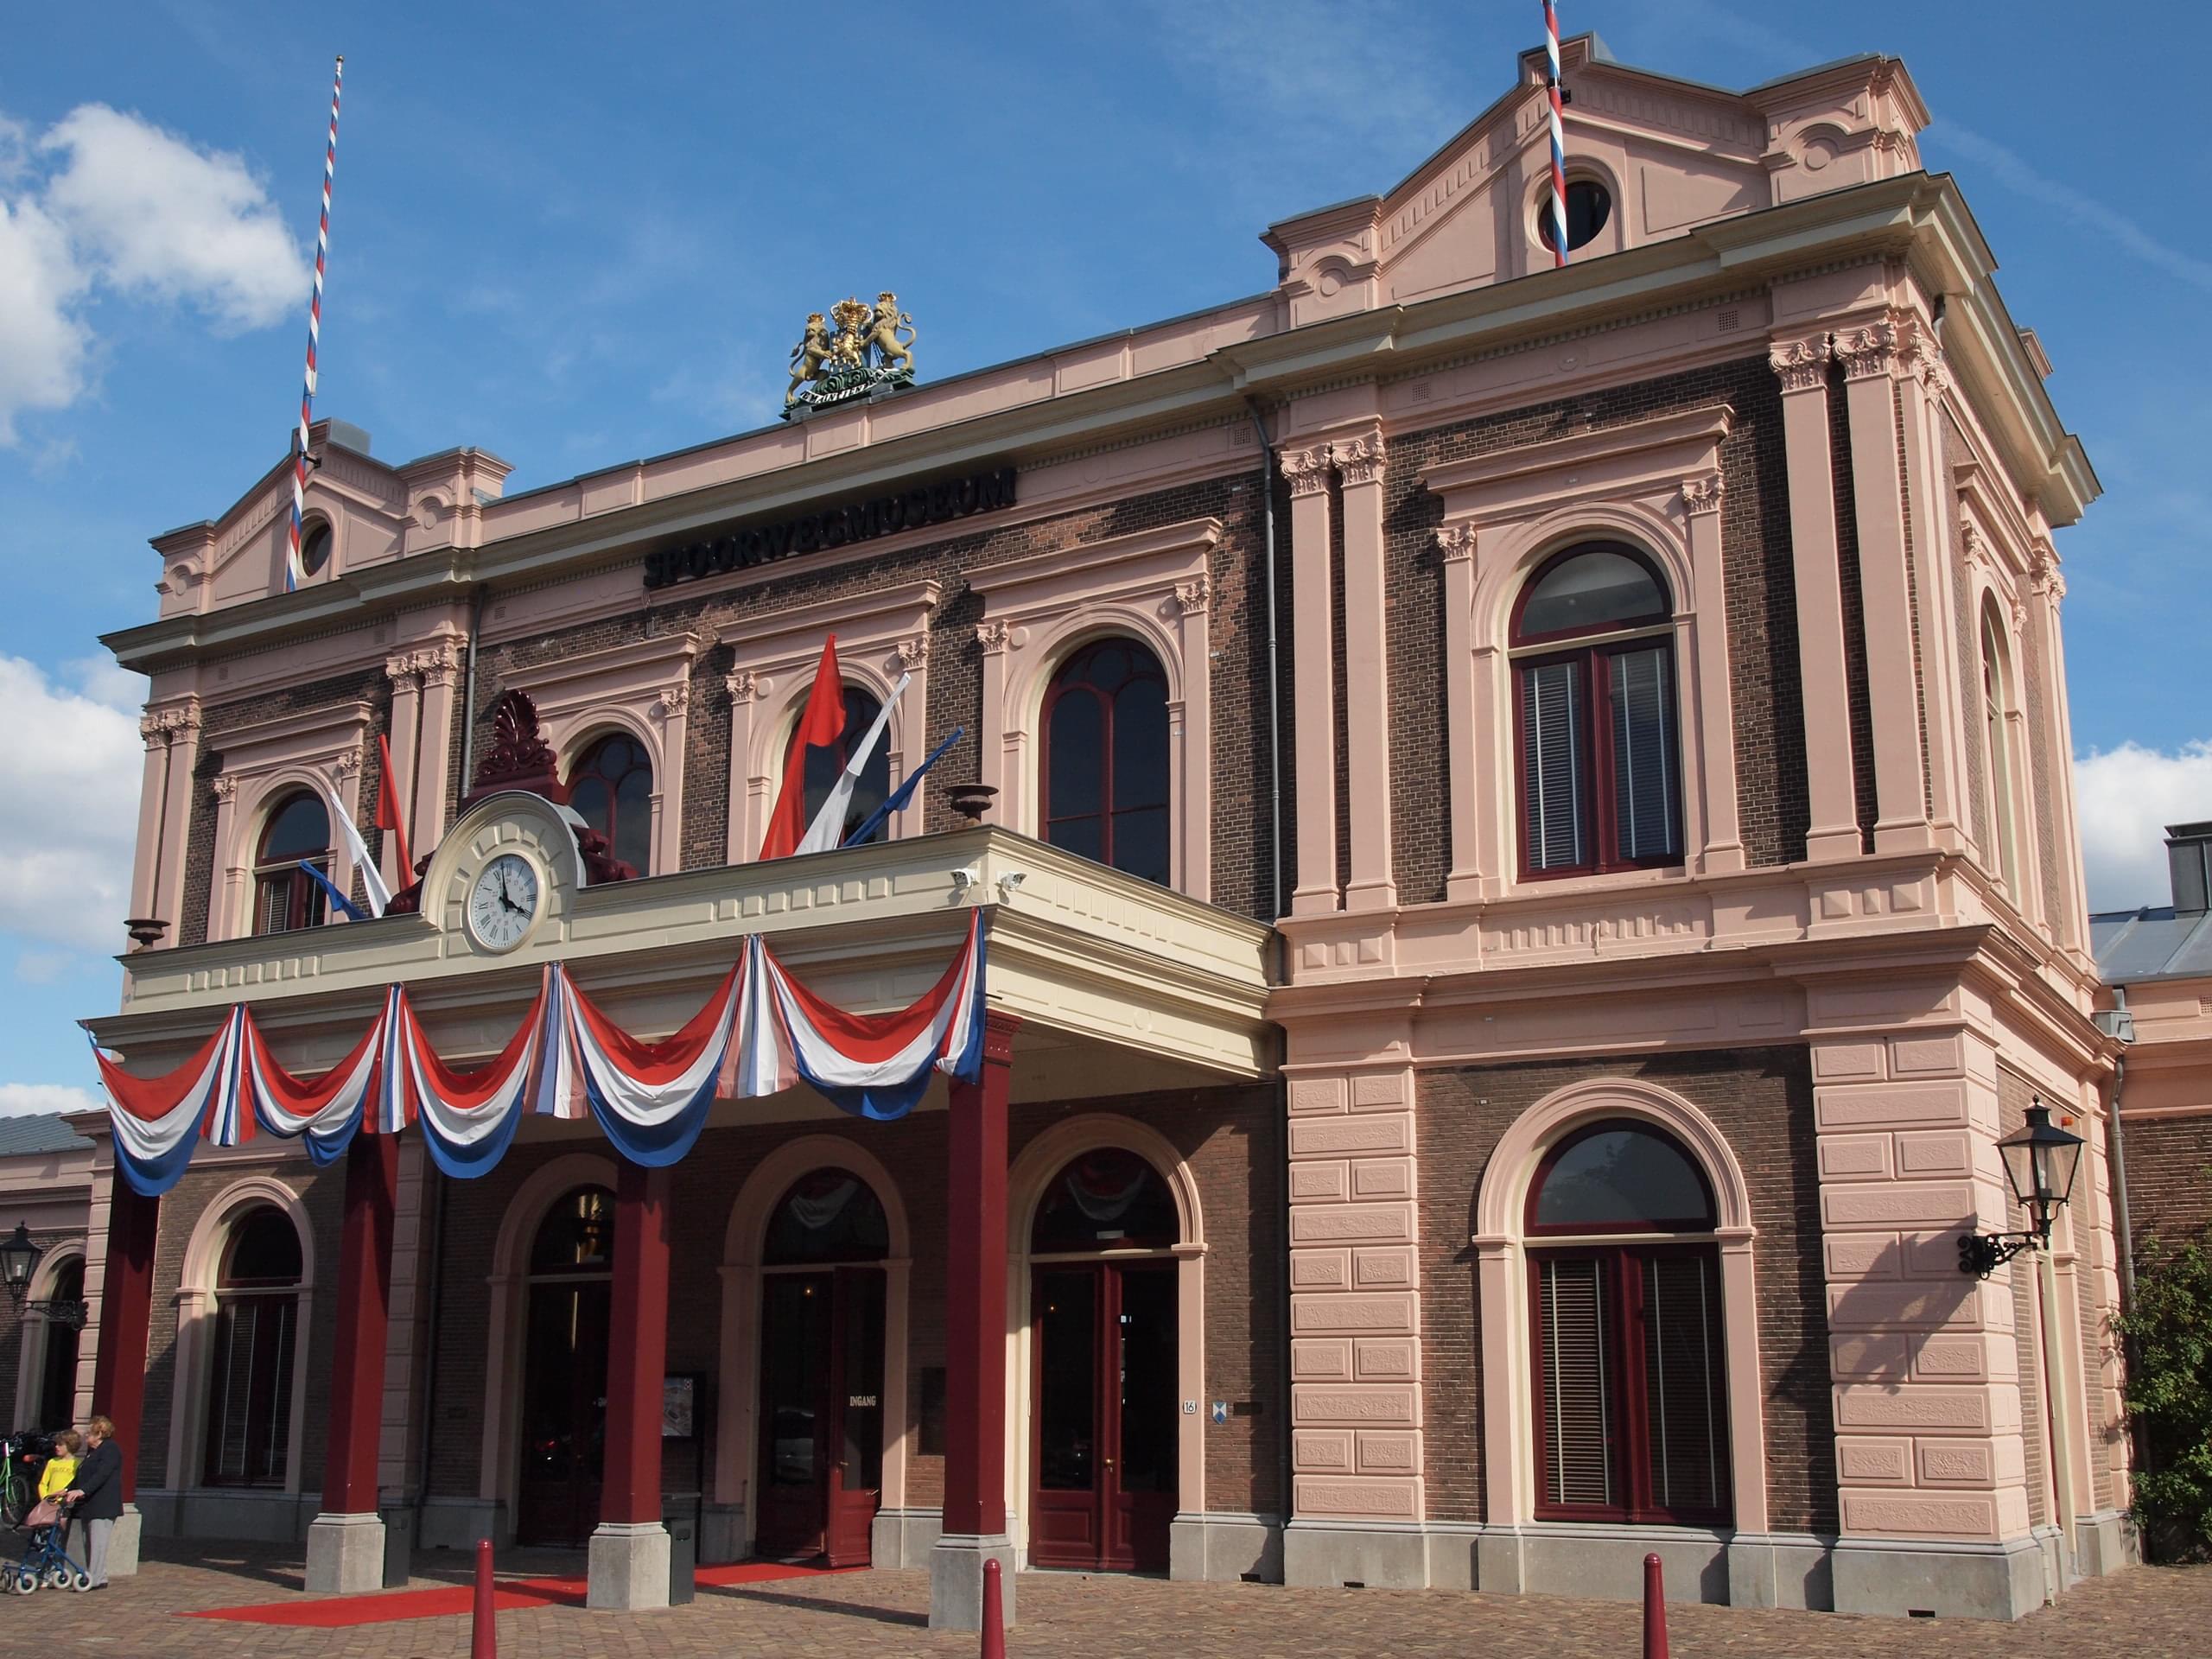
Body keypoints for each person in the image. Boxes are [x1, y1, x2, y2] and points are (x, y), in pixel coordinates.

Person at [63, 1417, 120, 1589]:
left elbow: (102, 1475)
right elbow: (82, 1475)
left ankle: (94, 1579)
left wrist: (82, 1491)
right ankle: (99, 1577)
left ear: (100, 1434)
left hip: (103, 1505)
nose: (86, 1435)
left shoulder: (110, 1450)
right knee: (90, 1543)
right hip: (90, 1505)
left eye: (89, 1432)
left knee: (98, 1544)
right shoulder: (92, 1452)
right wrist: (67, 1490)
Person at [26, 1429, 79, 1529]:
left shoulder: (78, 1464)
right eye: (56, 1444)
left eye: (60, 1445)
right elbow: (43, 1483)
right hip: (49, 1503)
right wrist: (45, 1497)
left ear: (70, 1445)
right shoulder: (52, 1462)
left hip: (65, 1504)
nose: (56, 1447)